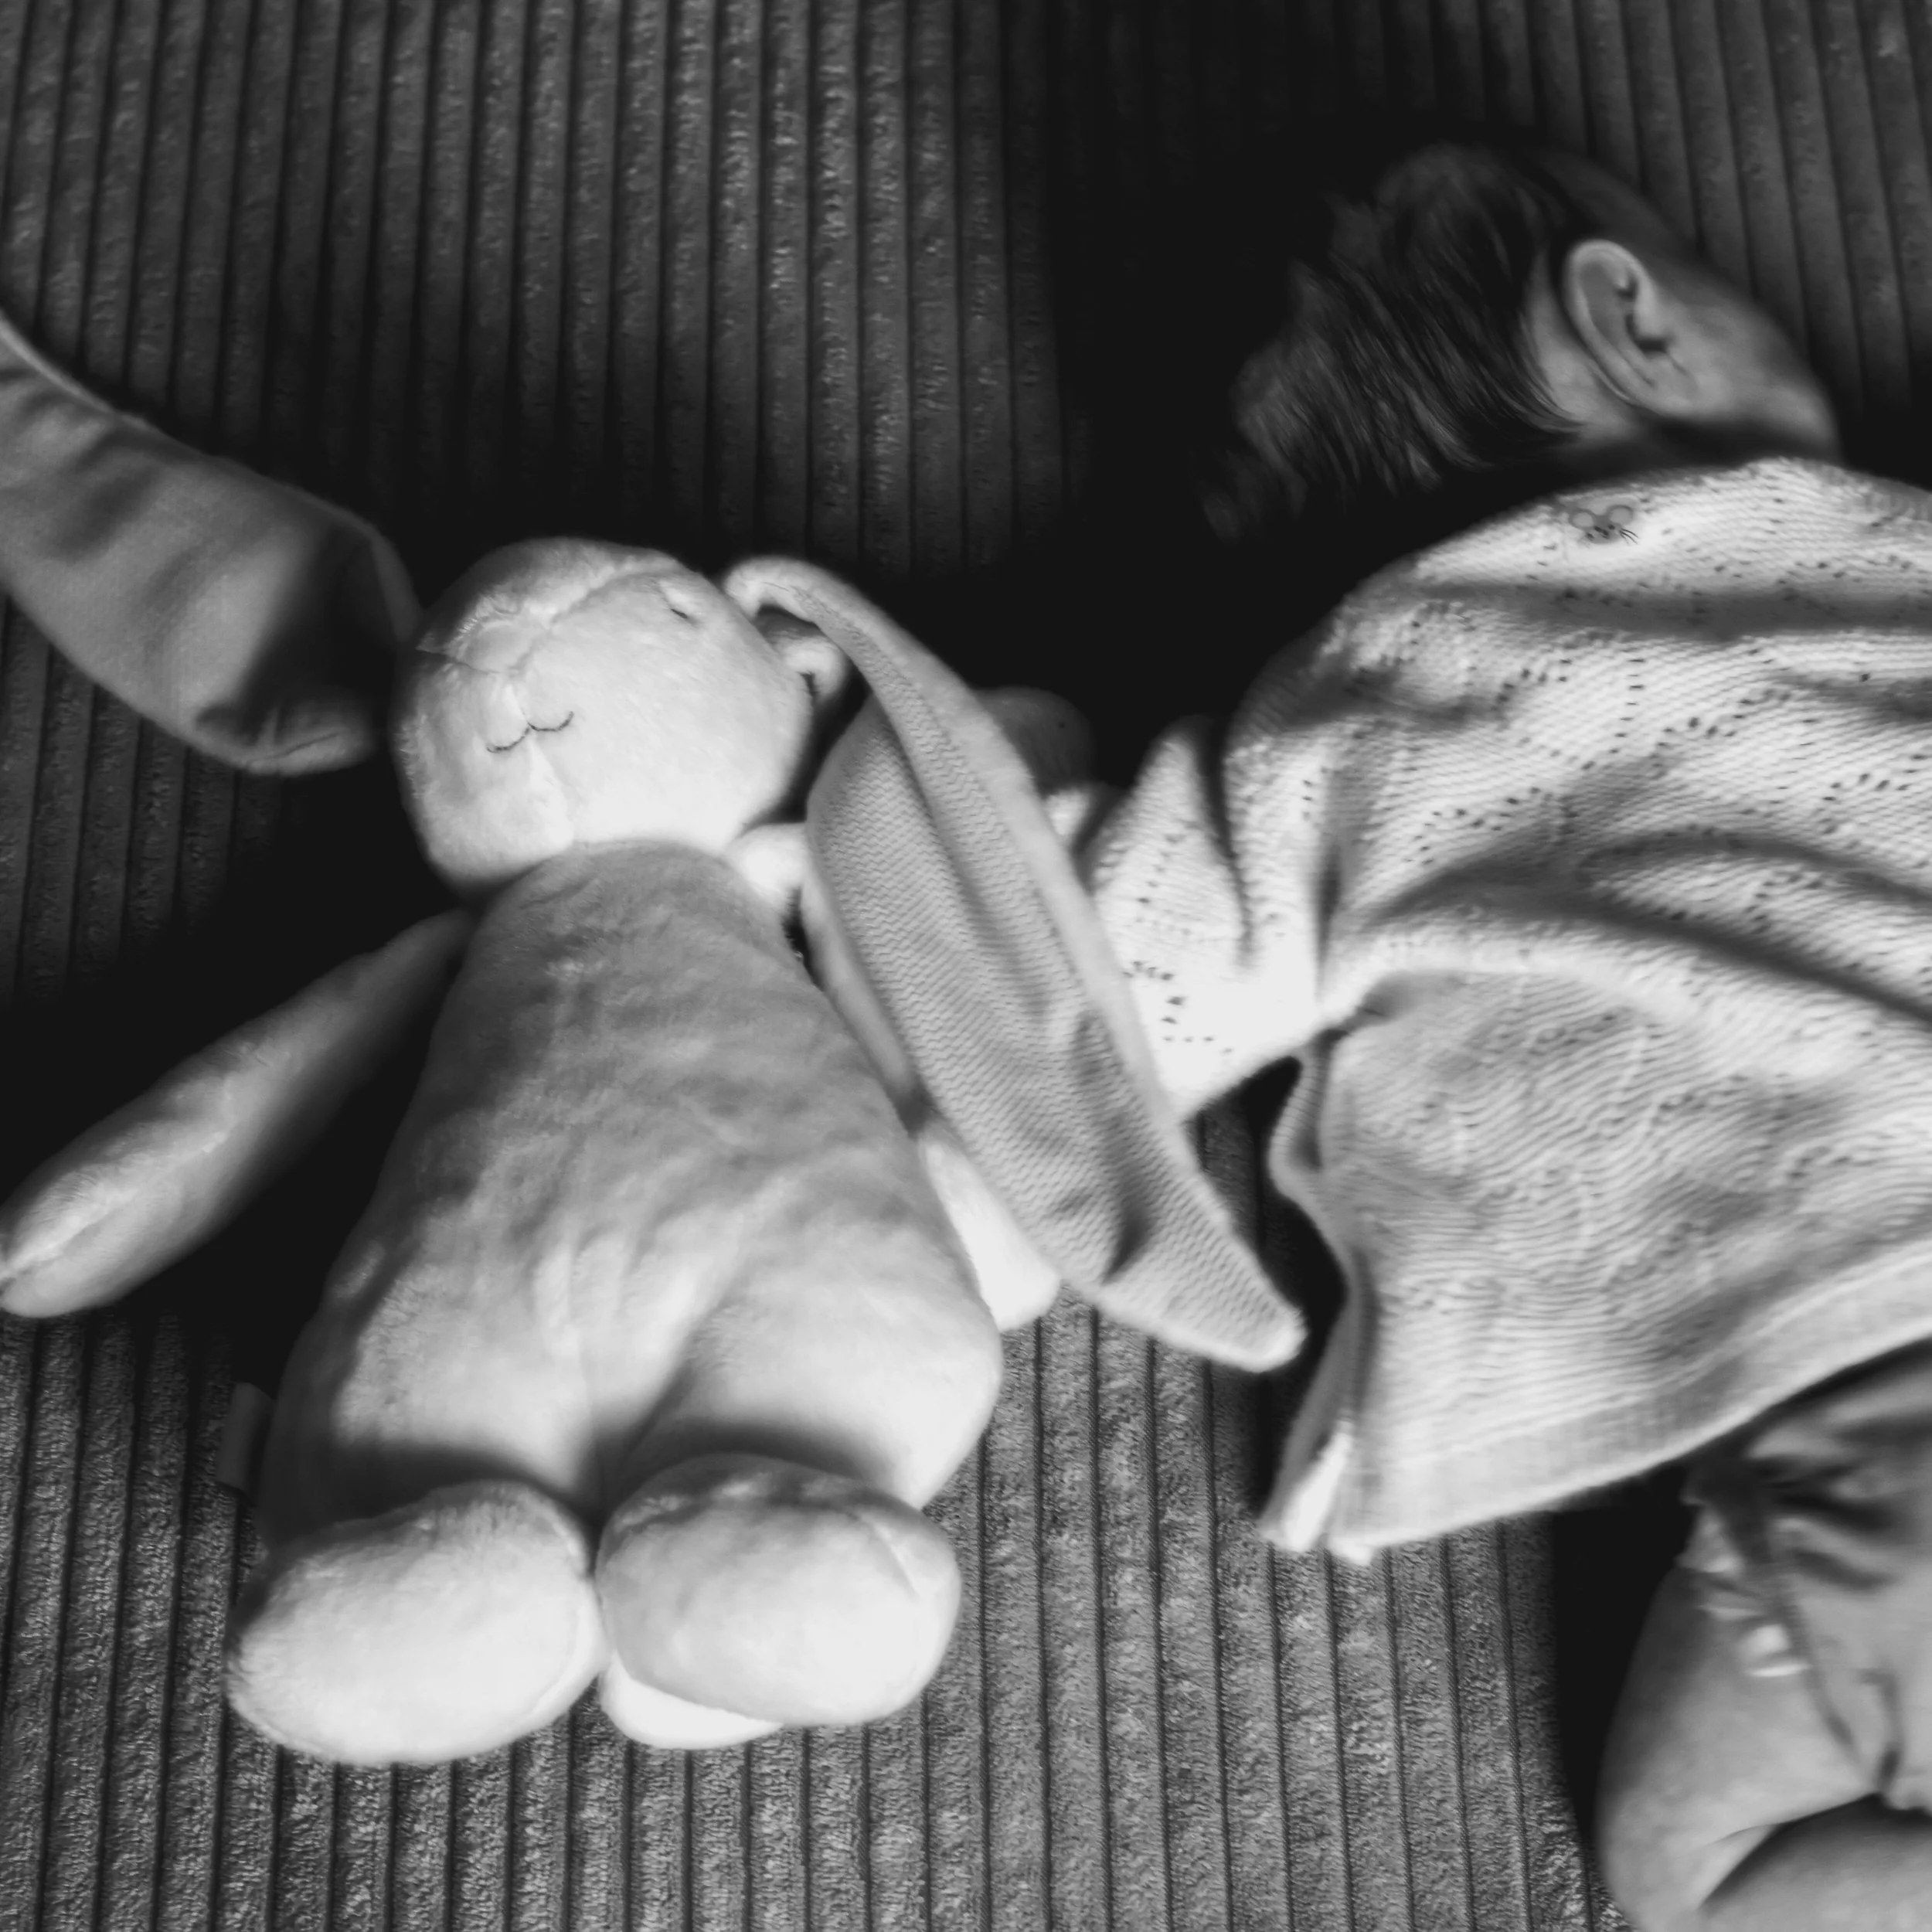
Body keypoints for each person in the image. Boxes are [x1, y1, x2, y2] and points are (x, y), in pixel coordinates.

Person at [1130, 124, 1932, 1931]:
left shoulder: (1325, 721)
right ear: (1627, 314)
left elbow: (1106, 996)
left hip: (1881, 1454)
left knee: (1694, 1880)